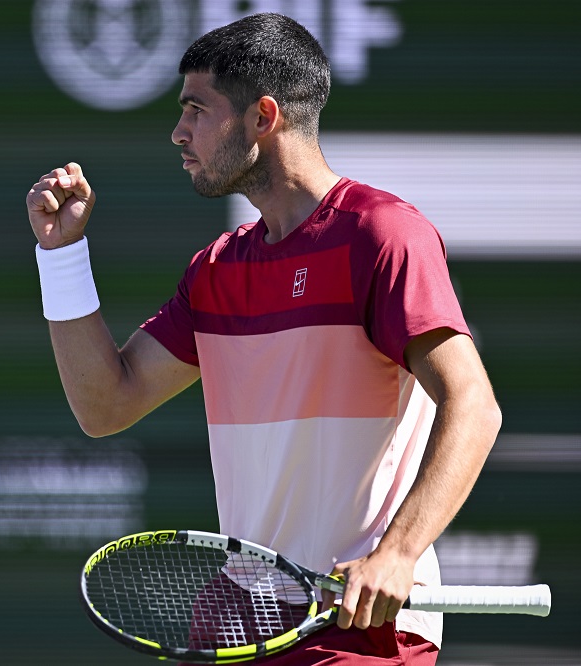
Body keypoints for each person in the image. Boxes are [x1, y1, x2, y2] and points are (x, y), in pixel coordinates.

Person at [25, 12, 501, 665]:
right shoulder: (216, 271)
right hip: (237, 613)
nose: (178, 132)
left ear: (262, 118)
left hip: (359, 629)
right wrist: (61, 256)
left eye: (196, 110)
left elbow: (473, 404)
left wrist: (398, 554)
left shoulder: (385, 237)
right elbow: (106, 405)